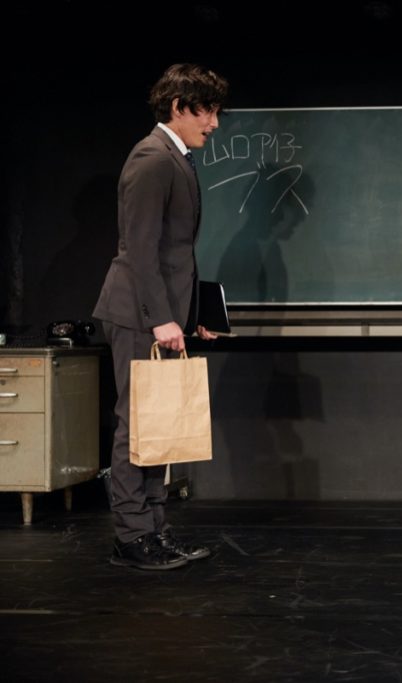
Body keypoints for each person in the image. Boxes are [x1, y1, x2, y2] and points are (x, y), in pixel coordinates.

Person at [93, 63, 229, 570]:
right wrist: (159, 319)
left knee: (161, 424)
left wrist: (190, 316)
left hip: (161, 315)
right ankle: (131, 537)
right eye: (207, 111)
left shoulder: (178, 158)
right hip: (137, 314)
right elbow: (140, 251)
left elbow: (177, 255)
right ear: (178, 106)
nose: (214, 123)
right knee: (137, 425)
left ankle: (154, 531)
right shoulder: (152, 158)